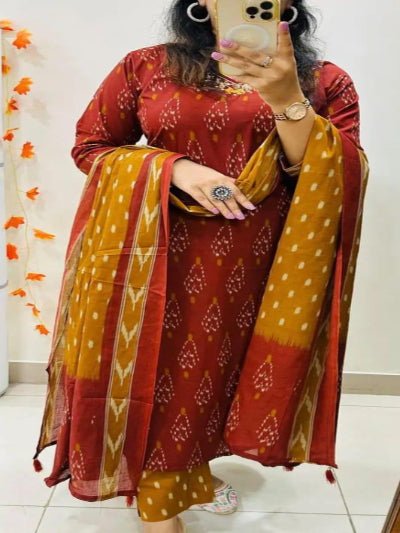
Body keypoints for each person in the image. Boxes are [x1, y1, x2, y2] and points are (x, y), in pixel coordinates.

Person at [32, 1, 367, 532]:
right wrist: (176, 168)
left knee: (213, 379)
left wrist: (289, 102)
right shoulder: (145, 67)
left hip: (263, 267)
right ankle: (161, 510)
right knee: (158, 371)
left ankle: (187, 472)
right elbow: (91, 146)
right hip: (153, 257)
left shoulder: (324, 81)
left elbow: (334, 176)